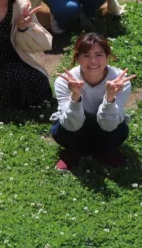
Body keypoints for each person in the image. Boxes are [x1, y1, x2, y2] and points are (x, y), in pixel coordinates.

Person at [50, 33, 135, 171]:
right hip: (75, 129)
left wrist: (110, 97)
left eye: (98, 55)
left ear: (107, 56)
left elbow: (110, 126)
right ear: (77, 58)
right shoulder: (64, 81)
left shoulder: (120, 81)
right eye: (86, 55)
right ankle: (74, 151)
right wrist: (75, 96)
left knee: (119, 130)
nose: (93, 61)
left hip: (107, 128)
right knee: (61, 130)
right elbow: (70, 125)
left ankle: (106, 151)